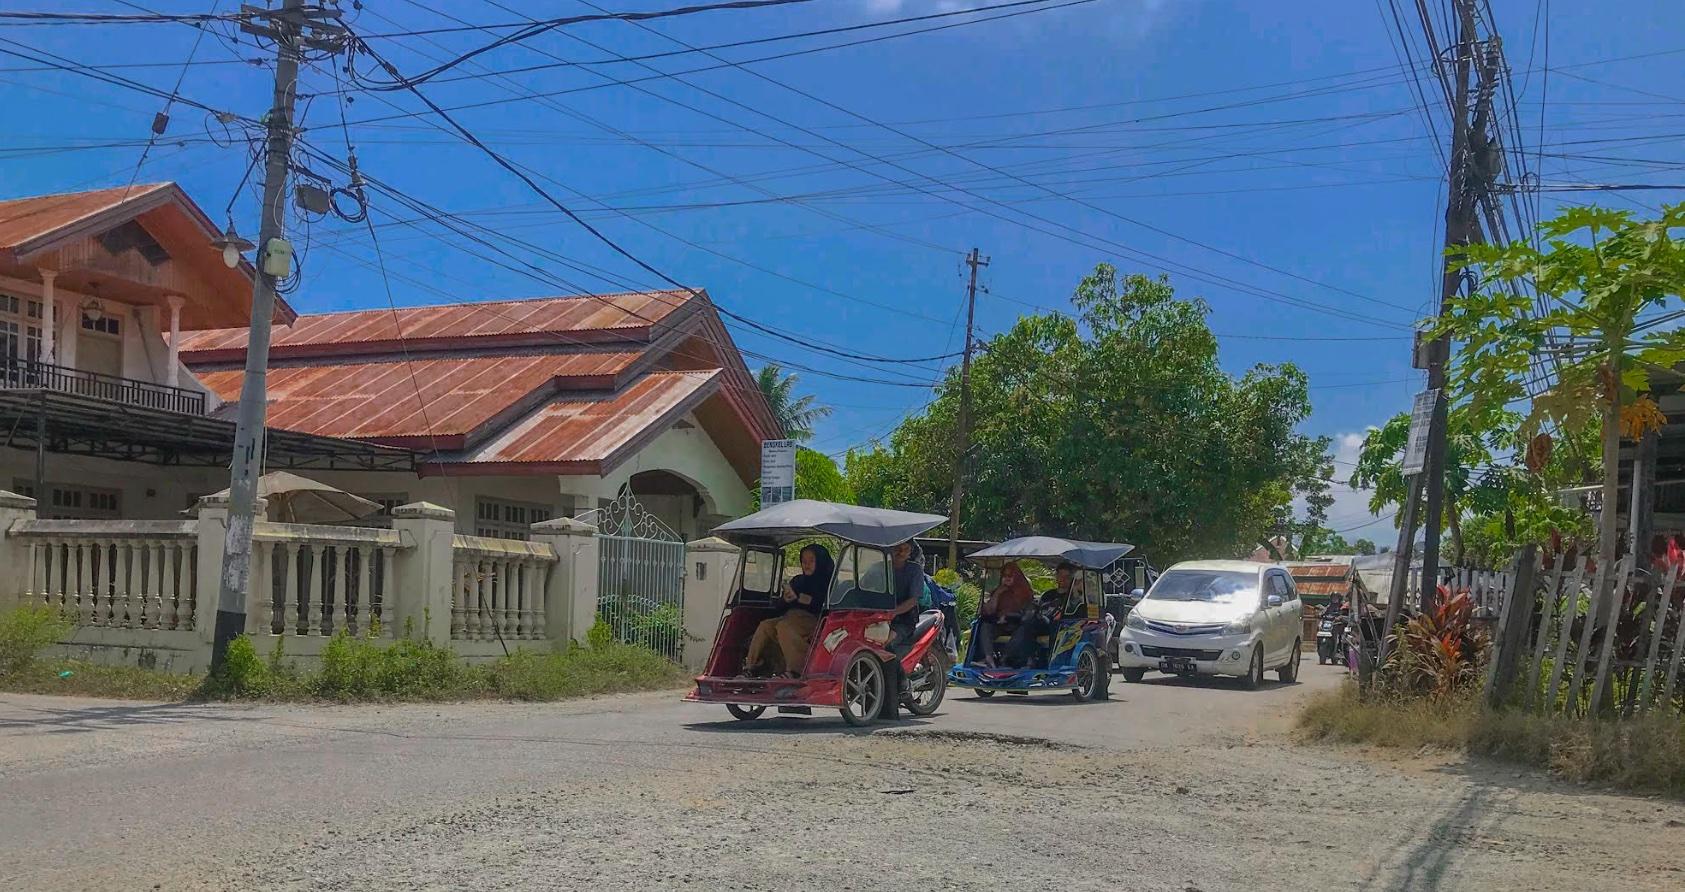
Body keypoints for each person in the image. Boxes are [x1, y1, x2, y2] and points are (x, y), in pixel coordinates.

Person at [742, 544, 834, 678]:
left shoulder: (828, 582)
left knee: (783, 627)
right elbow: (780, 607)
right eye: (804, 561)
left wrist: (799, 599)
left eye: (811, 561)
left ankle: (796, 671)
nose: (806, 565)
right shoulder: (798, 581)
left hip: (814, 620)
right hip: (790, 617)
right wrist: (785, 600)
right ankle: (751, 666)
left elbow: (820, 604)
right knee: (765, 625)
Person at [1003, 561, 1081, 667]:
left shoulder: (1072, 596)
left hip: (1055, 625)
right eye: (1060, 575)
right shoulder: (1048, 594)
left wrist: (1074, 589)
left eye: (1066, 577)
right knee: (1023, 624)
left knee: (1028, 622)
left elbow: (1076, 605)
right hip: (1037, 621)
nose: (1062, 579)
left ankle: (1008, 657)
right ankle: (1021, 659)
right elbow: (1038, 607)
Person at [975, 562, 1034, 668]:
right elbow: (989, 611)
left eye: (1010, 576)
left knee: (1024, 630)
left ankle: (1004, 658)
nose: (1007, 579)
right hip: (1000, 625)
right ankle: (989, 659)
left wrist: (1009, 616)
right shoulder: (999, 591)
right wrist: (998, 593)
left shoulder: (1025, 592)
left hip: (1018, 624)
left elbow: (1028, 614)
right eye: (1004, 576)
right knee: (985, 626)